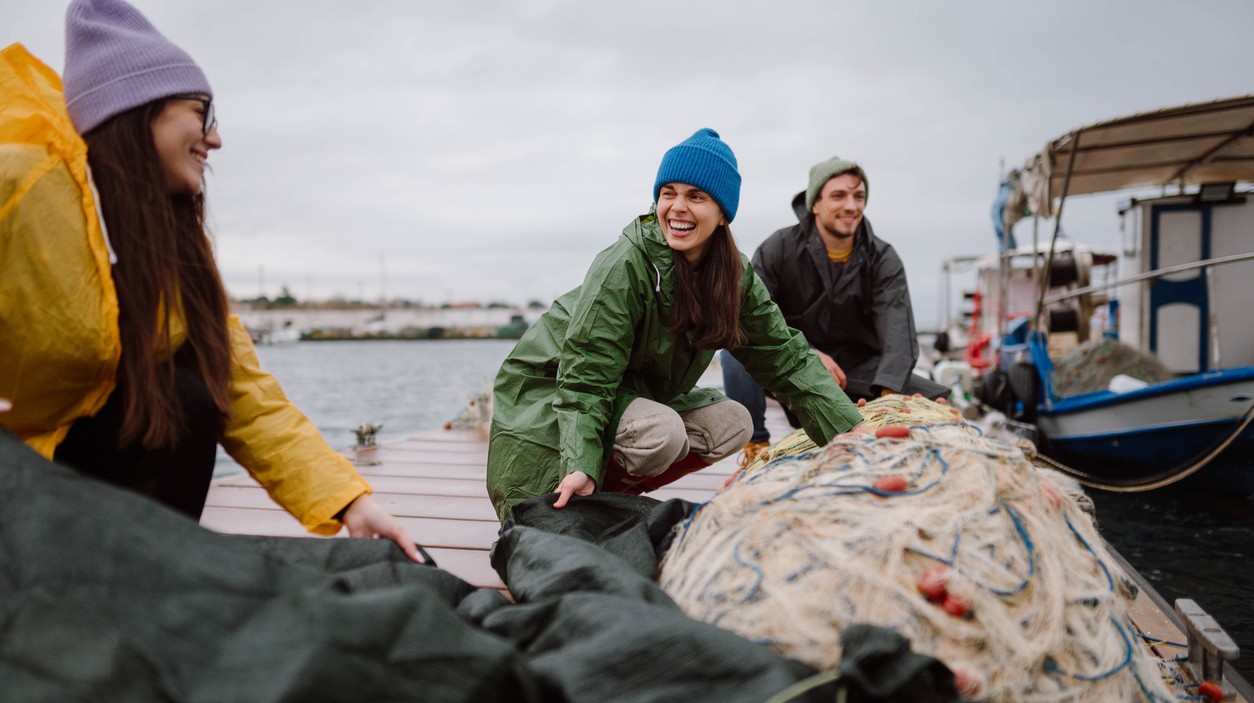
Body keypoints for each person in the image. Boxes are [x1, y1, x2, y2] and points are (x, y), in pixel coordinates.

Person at [0, 0, 419, 560]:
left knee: (188, 399)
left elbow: (242, 388)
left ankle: (140, 585)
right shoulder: (24, 183)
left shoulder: (170, 241)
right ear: (138, 108)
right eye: (202, 112)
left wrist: (350, 502)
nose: (215, 139)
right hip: (16, 469)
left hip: (56, 466)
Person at [486, 129, 868, 522]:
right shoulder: (627, 262)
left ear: (723, 214)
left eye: (696, 196)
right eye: (668, 193)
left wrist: (847, 430)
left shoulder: (732, 274)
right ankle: (588, 492)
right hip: (549, 392)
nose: (677, 207)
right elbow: (587, 377)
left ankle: (611, 494)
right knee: (660, 433)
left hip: (629, 393)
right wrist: (579, 463)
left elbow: (783, 357)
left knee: (734, 422)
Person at [722, 155, 948, 462]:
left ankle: (879, 424)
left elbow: (898, 332)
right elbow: (748, 318)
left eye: (859, 196)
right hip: (791, 369)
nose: (851, 206)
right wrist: (808, 352)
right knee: (734, 348)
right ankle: (756, 446)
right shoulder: (779, 248)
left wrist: (887, 404)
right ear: (815, 203)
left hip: (852, 376)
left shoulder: (883, 258)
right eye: (838, 196)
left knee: (936, 400)